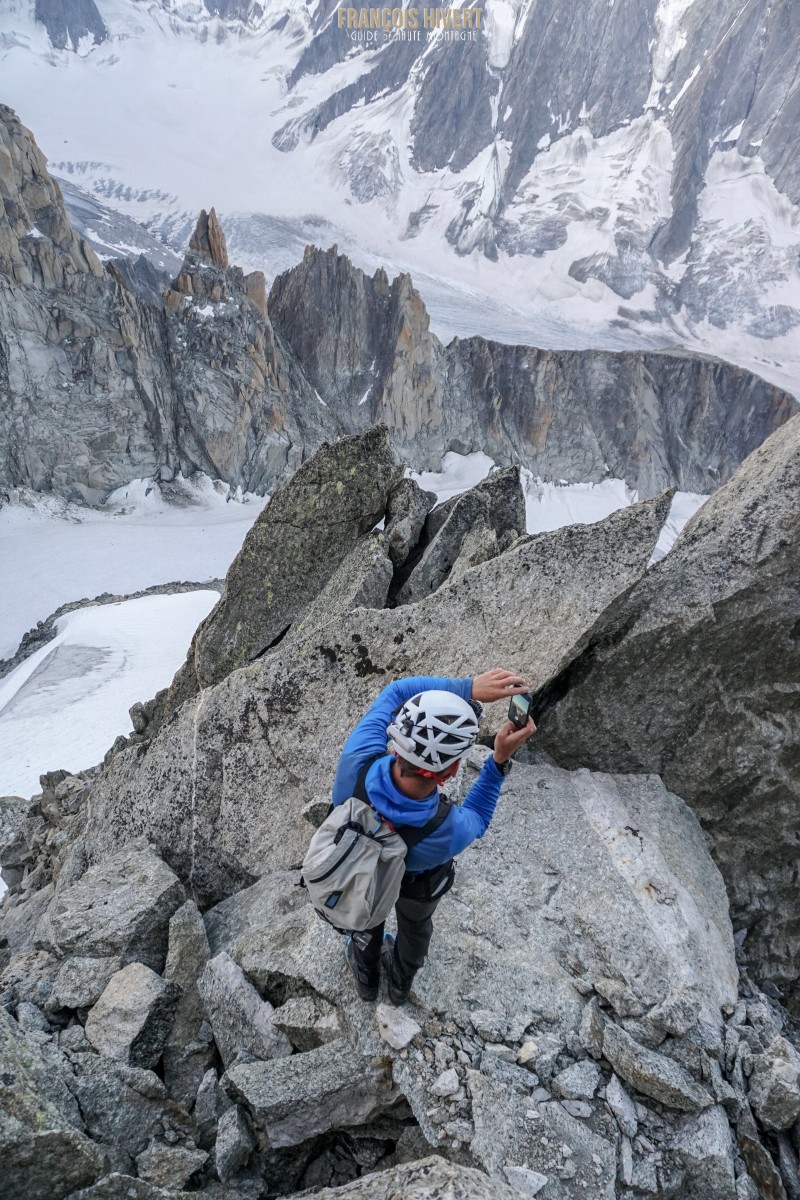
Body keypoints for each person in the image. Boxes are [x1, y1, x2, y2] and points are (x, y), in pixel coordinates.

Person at [331, 667, 536, 1004]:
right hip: (416, 885)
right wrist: (498, 760)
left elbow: (396, 691)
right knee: (415, 926)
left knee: (366, 915)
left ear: (397, 742)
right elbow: (479, 816)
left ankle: (366, 978)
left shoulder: (358, 757)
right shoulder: (445, 831)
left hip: (358, 869)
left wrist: (467, 687)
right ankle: (399, 985)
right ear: (451, 772)